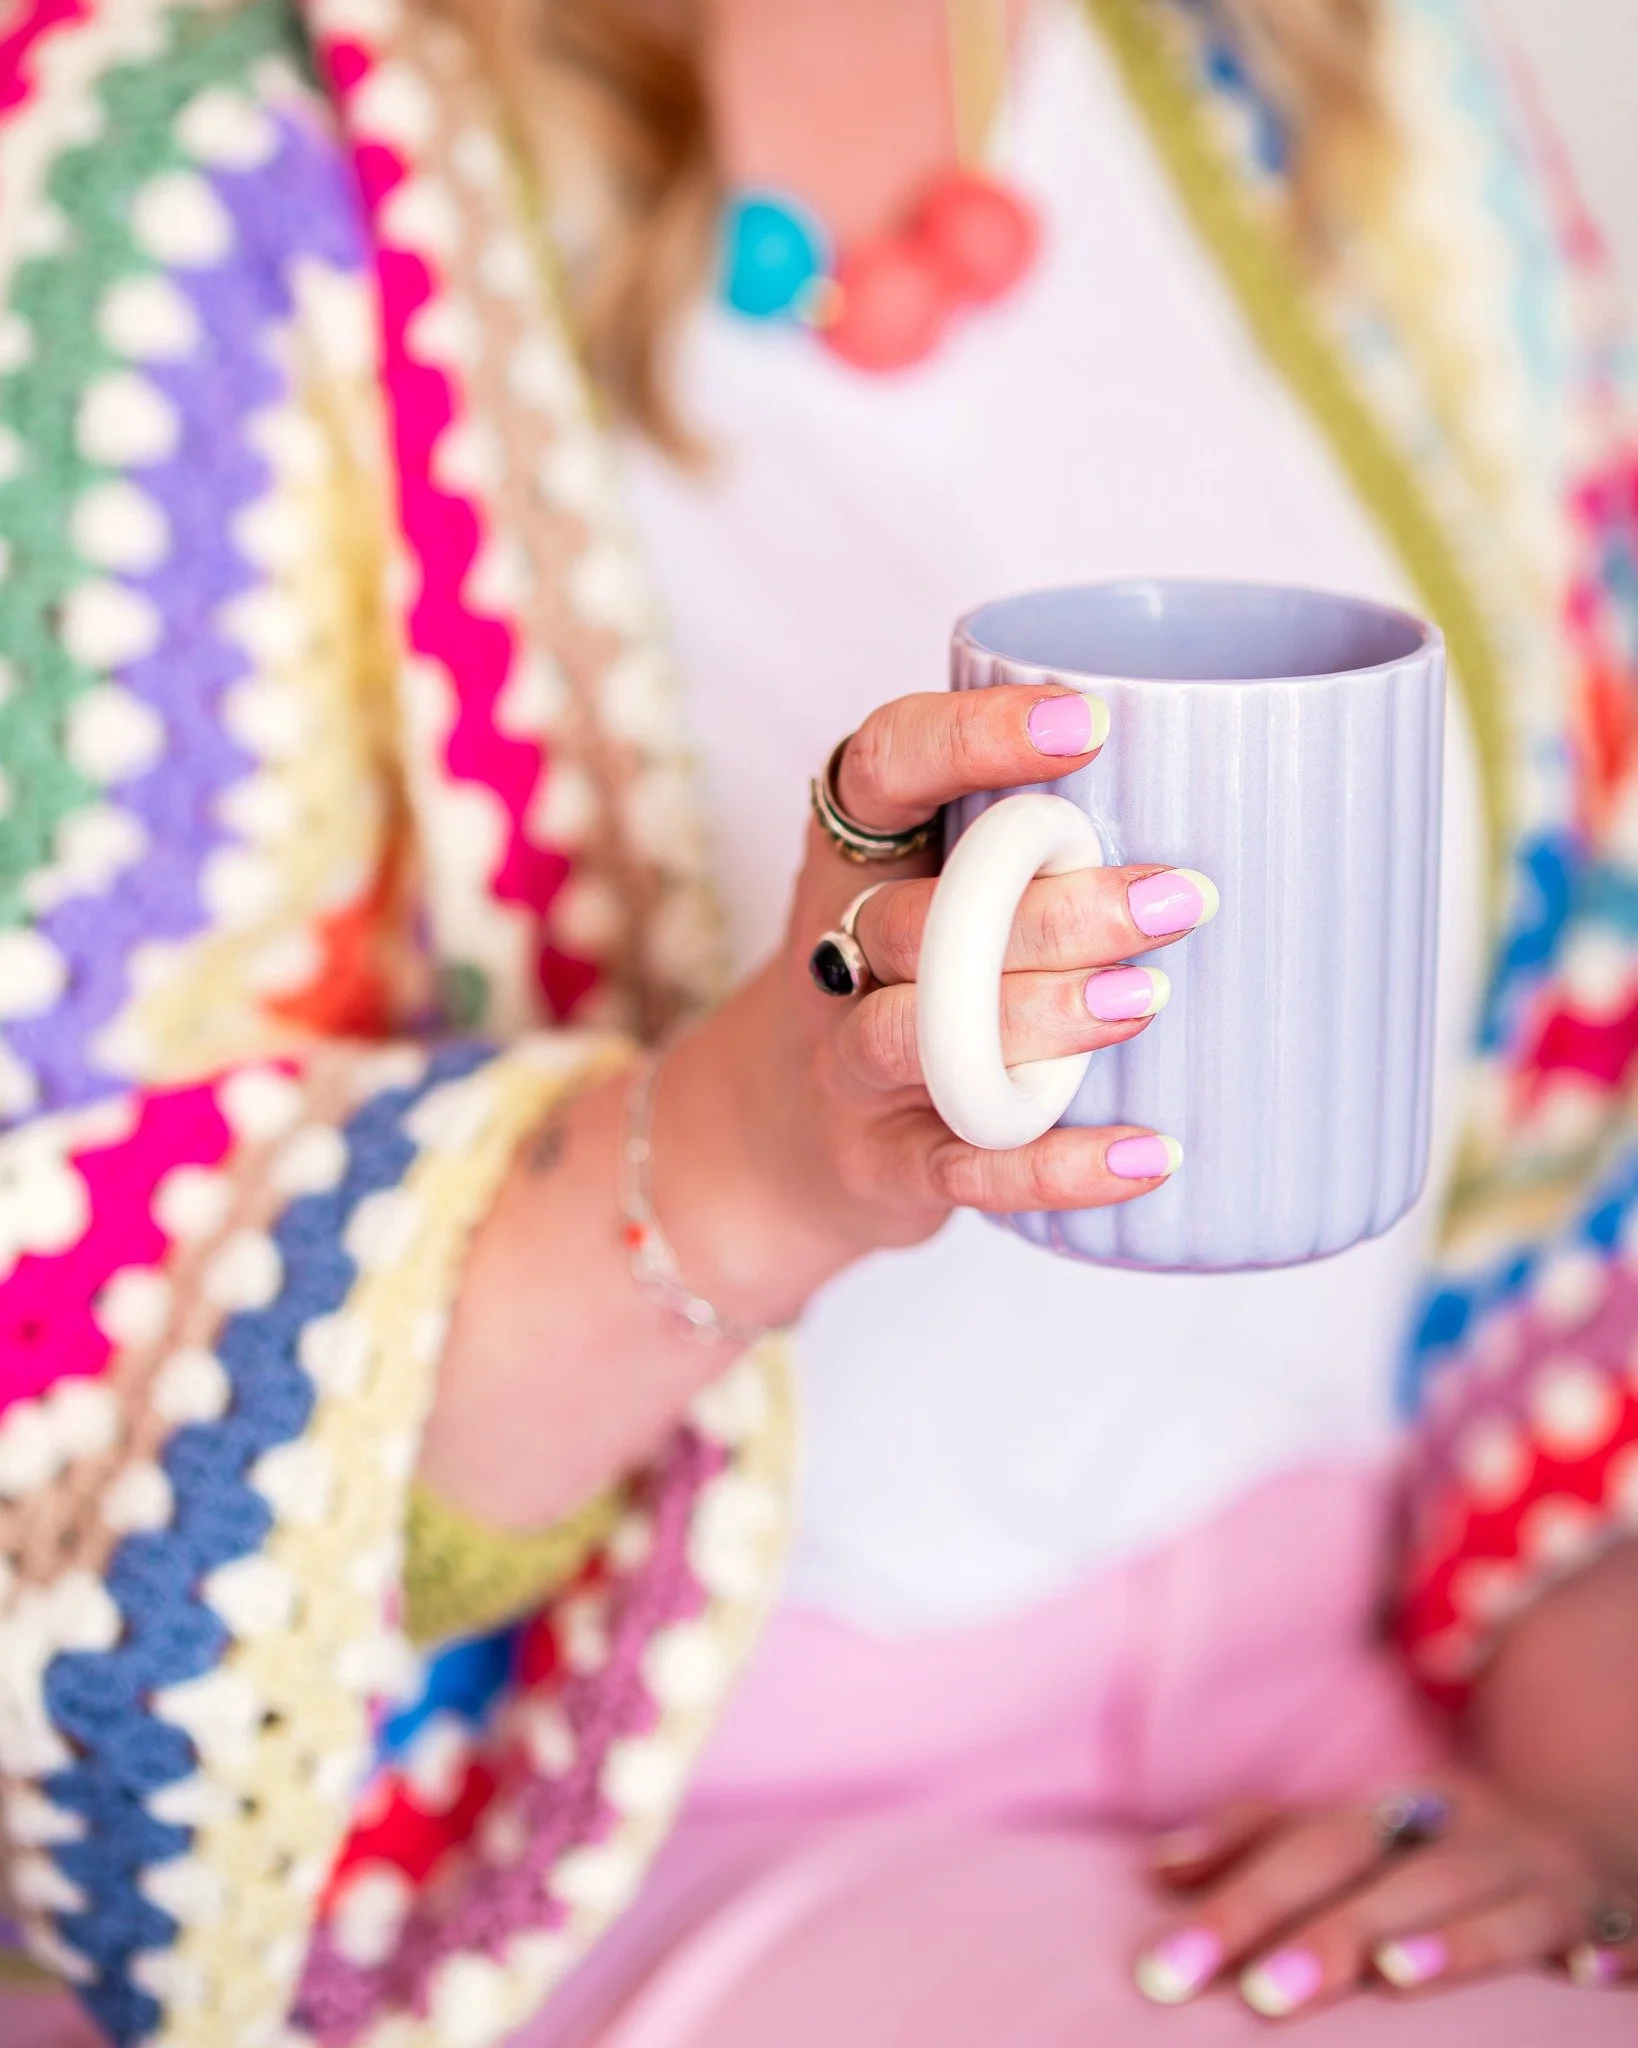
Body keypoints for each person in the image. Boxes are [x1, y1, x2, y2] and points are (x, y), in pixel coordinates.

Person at [0, 0, 1635, 2043]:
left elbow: (1566, 1186)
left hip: (1363, 1738)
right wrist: (763, 1145)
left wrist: (1580, 1802)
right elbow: (65, 1437)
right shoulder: (170, 176)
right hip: (633, 1833)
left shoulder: (1372, 103)